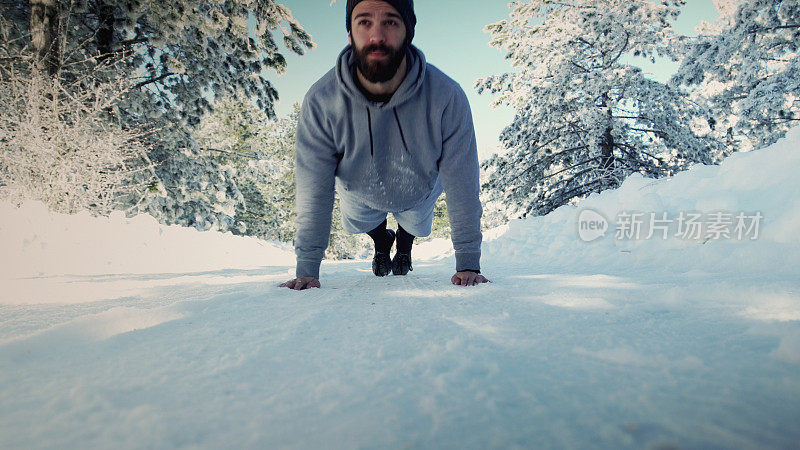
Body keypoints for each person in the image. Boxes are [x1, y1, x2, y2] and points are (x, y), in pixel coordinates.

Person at [280, 0, 490, 290]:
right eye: (364, 22)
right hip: (359, 193)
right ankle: (383, 242)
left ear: (409, 32)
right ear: (350, 33)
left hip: (419, 193)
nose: (377, 36)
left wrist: (468, 263)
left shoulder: (447, 96)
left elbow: (463, 183)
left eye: (390, 22)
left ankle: (404, 244)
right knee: (362, 221)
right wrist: (307, 269)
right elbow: (313, 190)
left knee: (415, 224)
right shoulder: (321, 102)